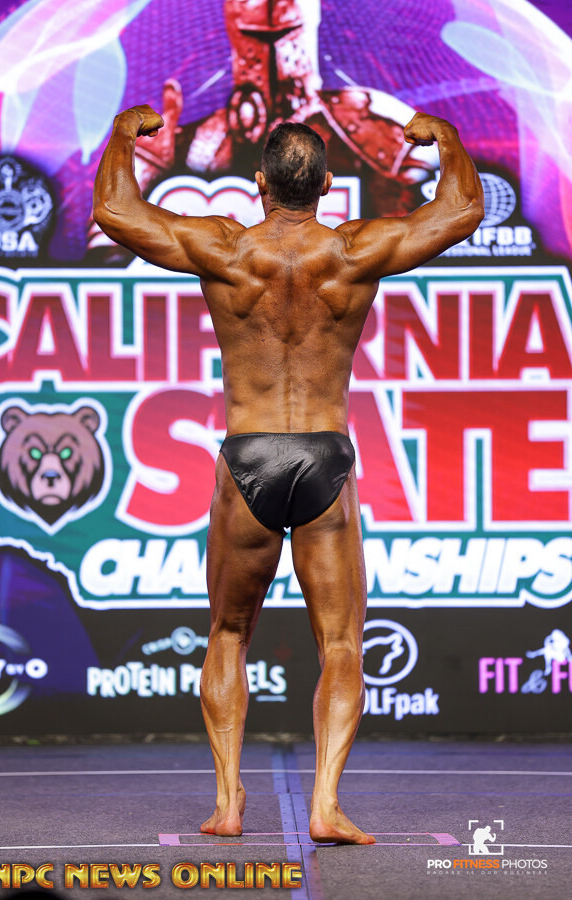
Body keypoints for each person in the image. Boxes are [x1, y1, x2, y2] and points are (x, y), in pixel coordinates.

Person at [93, 107, 484, 844]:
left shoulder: (226, 248)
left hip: (249, 456)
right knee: (341, 644)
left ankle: (227, 803)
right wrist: (448, 138)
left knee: (227, 632)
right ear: (328, 185)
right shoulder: (354, 250)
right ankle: (325, 805)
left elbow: (115, 211)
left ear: (259, 183)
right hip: (324, 458)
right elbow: (462, 209)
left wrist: (122, 137)